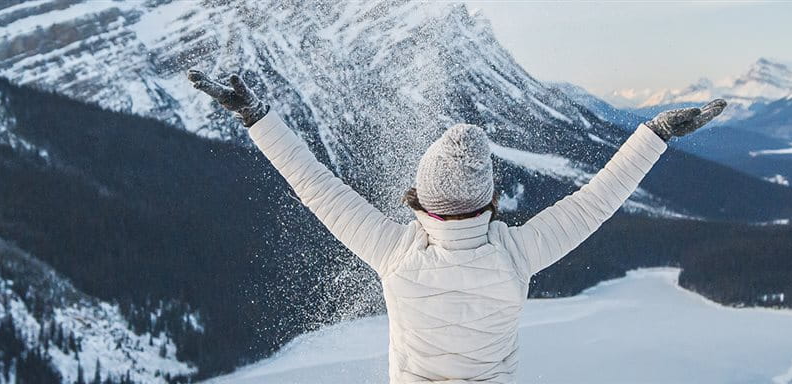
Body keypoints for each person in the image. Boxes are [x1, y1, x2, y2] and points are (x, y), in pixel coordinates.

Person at [190, 70, 725, 384]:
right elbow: (595, 202)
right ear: (489, 197)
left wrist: (256, 115)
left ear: (421, 196)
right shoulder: (517, 254)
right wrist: (655, 133)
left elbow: (313, 184)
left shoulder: (395, 253)